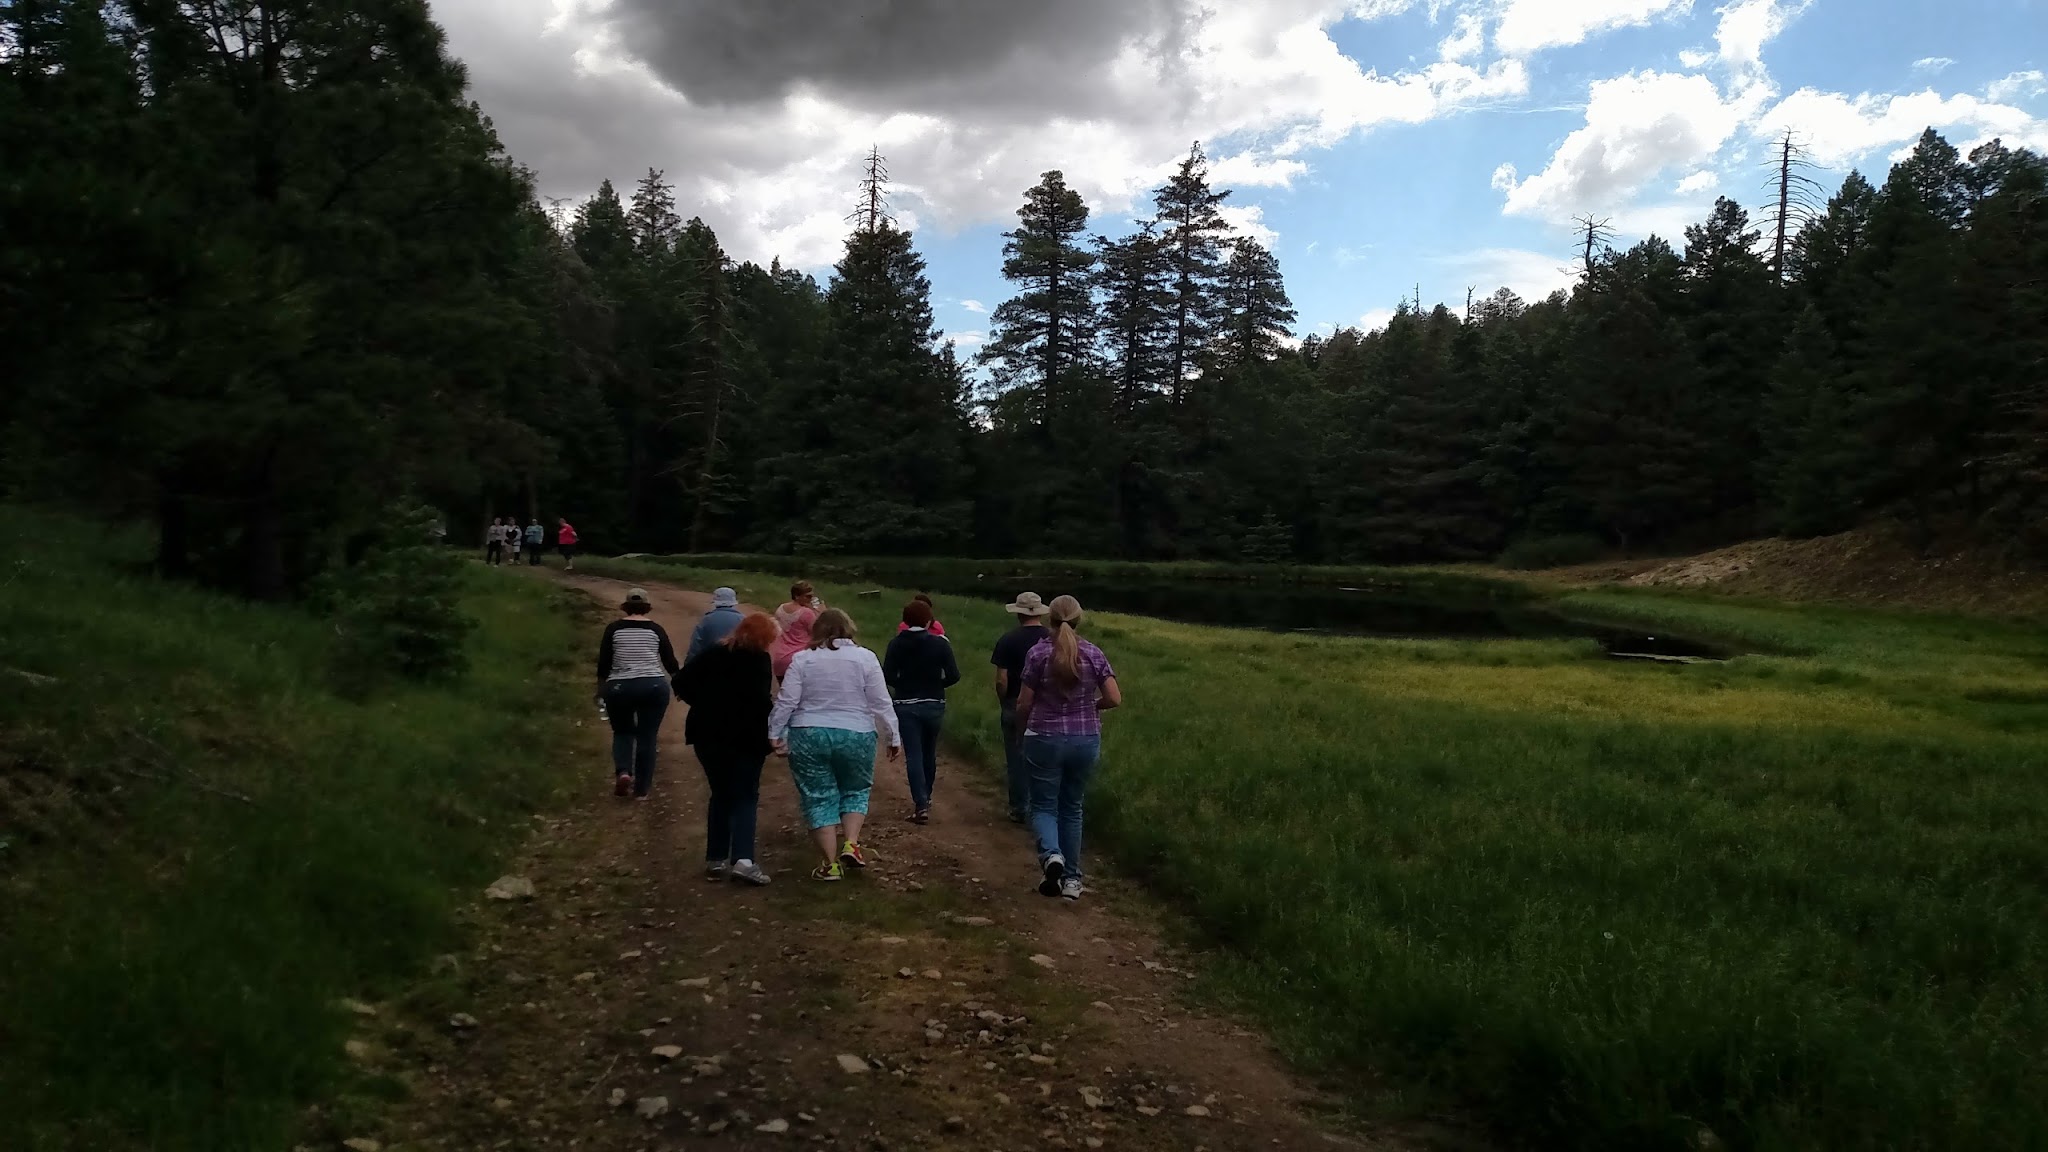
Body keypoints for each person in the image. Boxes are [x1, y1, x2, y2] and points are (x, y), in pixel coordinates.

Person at [767, 609, 902, 882]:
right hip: (857, 733)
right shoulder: (866, 658)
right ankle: (851, 843)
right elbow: (880, 700)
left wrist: (775, 731)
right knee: (856, 788)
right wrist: (893, 735)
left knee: (818, 795)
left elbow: (788, 700)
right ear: (848, 628)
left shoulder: (803, 660)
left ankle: (830, 864)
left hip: (809, 733)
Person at [1015, 595, 1121, 901]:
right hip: (1085, 738)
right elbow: (1114, 698)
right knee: (1072, 807)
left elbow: (1023, 703)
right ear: (1078, 619)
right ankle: (1073, 880)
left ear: (1050, 619)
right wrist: (1092, 707)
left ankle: (1052, 856)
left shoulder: (1038, 654)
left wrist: (1021, 733)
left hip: (1044, 738)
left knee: (1044, 805)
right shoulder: (1093, 652)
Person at [674, 611, 778, 886]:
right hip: (745, 737)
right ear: (764, 639)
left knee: (720, 794)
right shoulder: (758, 660)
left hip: (707, 734)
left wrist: (703, 702)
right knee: (745, 795)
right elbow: (760, 700)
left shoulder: (714, 653)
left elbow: (680, 681)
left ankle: (716, 859)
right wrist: (776, 726)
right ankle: (743, 860)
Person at [597, 587, 680, 800]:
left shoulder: (614, 629)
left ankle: (624, 771)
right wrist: (680, 685)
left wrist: (600, 689)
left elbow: (604, 663)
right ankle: (642, 790)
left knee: (623, 732)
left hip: (619, 687)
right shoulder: (656, 629)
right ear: (646, 607)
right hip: (653, 686)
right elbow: (670, 661)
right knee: (647, 736)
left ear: (625, 607)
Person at [883, 598, 961, 824]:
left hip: (907, 704)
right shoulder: (940, 643)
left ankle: (921, 803)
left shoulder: (896, 644)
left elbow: (887, 675)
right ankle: (927, 795)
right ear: (929, 620)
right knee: (929, 752)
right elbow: (954, 675)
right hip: (934, 702)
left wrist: (904, 685)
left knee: (914, 754)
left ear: (905, 621)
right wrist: (936, 685)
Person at [989, 592, 1053, 823]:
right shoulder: (1051, 639)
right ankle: (1044, 807)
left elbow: (1001, 680)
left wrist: (1003, 700)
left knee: (1016, 758)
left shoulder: (1008, 640)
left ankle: (1019, 808)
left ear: (1018, 613)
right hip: (1046, 705)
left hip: (1015, 702)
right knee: (1044, 759)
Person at [769, 580, 822, 681]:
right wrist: (819, 613)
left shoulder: (781, 608)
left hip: (779, 656)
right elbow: (818, 633)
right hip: (799, 658)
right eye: (808, 596)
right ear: (797, 596)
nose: (811, 600)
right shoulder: (806, 613)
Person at [687, 587, 746, 661]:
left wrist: (689, 664)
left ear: (715, 602)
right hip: (736, 663)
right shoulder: (743, 620)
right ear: (733, 602)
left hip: (711, 663)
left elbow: (696, 645)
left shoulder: (706, 619)